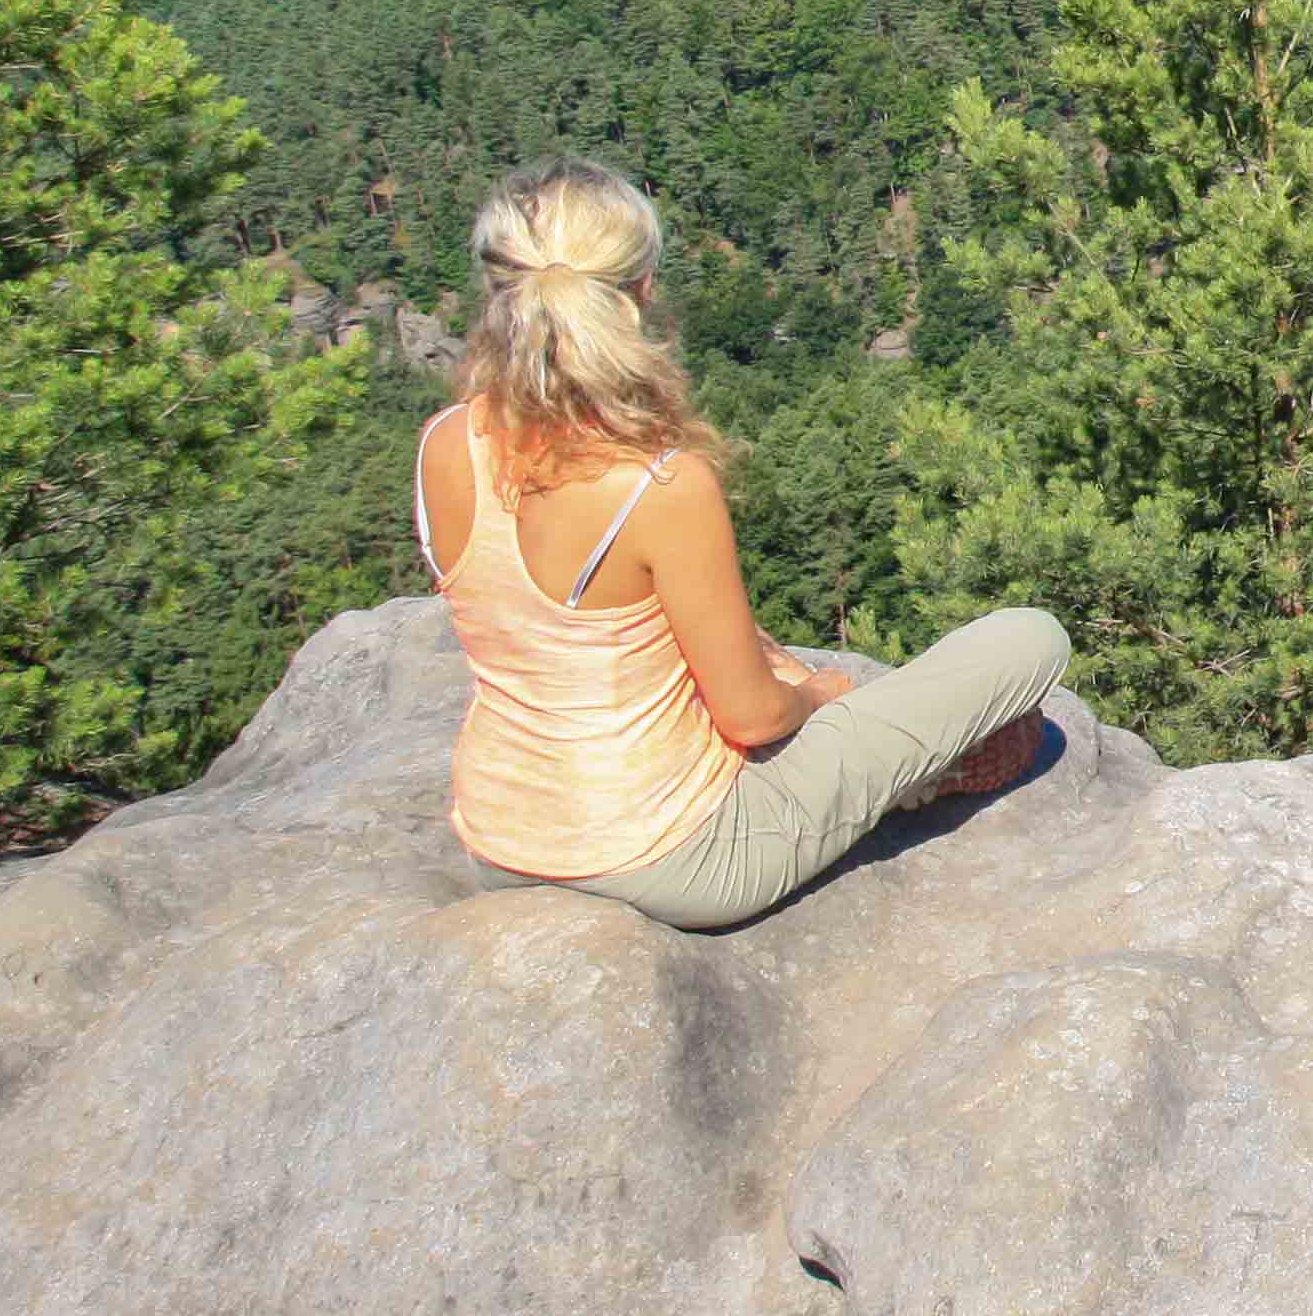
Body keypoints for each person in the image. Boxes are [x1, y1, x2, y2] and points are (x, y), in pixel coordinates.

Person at [416, 156, 1068, 928]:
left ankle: (887, 766)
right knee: (1032, 637)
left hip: (501, 846)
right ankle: (906, 776)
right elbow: (753, 718)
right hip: (678, 859)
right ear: (640, 292)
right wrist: (820, 695)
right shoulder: (658, 484)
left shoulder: (444, 442)